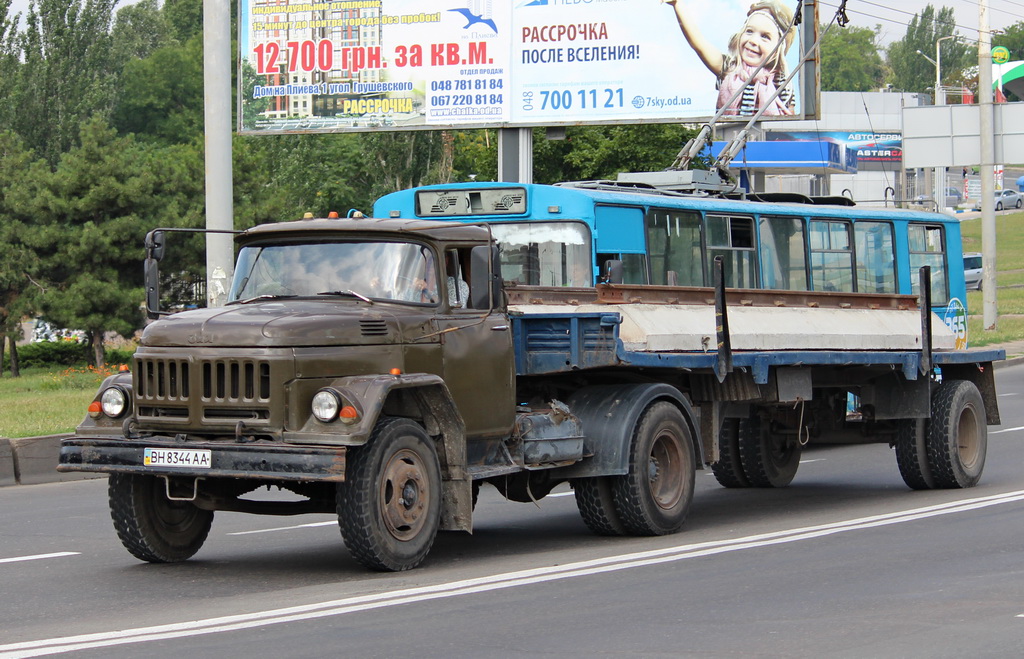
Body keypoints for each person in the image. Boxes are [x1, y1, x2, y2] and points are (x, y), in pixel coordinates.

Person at [662, 0, 796, 116]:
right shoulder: (729, 68)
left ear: (779, 48)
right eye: (749, 31)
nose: (754, 41)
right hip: (729, 141)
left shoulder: (781, 81)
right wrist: (677, 4)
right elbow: (699, 44)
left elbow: (788, 120)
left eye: (765, 37)